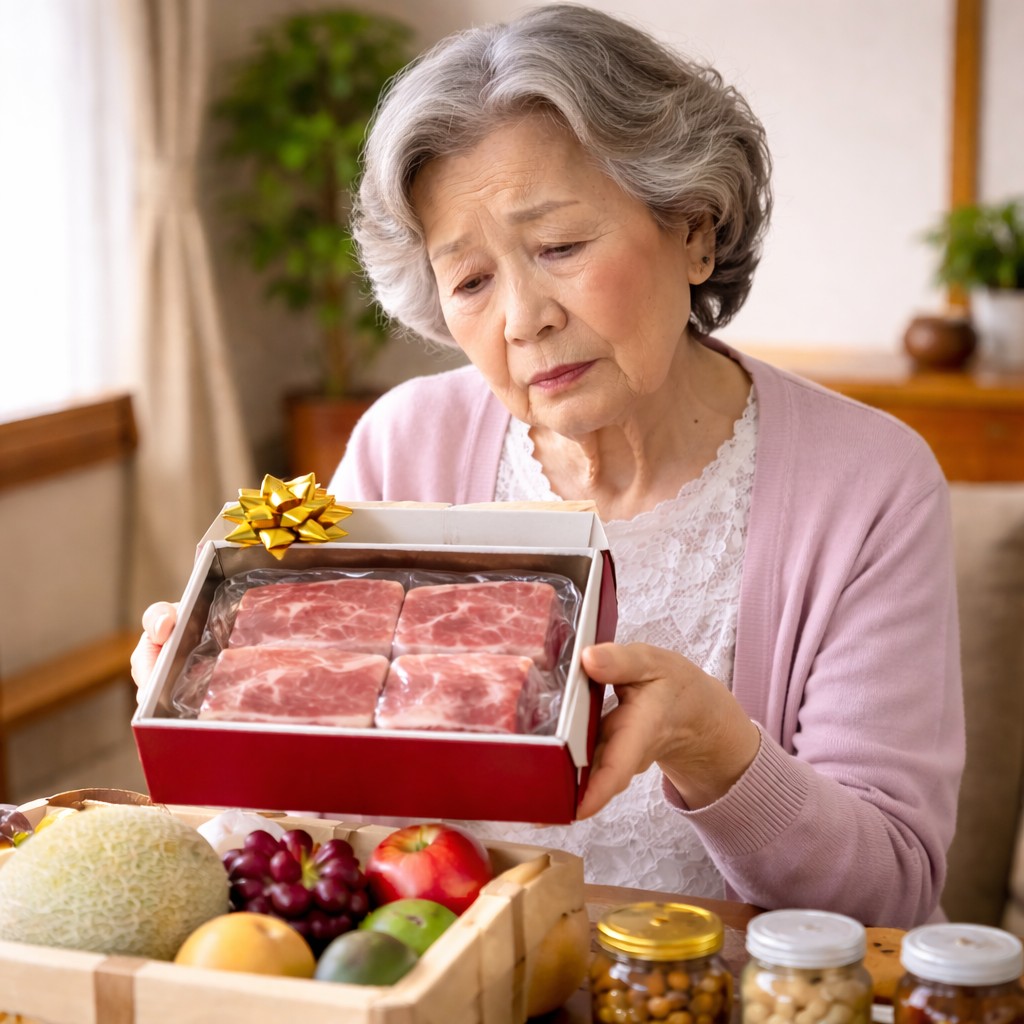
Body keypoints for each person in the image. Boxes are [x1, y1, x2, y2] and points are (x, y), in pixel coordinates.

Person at [134, 3, 964, 928]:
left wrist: (711, 744)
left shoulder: (867, 483)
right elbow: (318, 834)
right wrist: (221, 704)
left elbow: (889, 893)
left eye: (561, 247)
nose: (523, 319)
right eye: (473, 281)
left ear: (694, 229)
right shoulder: (404, 441)